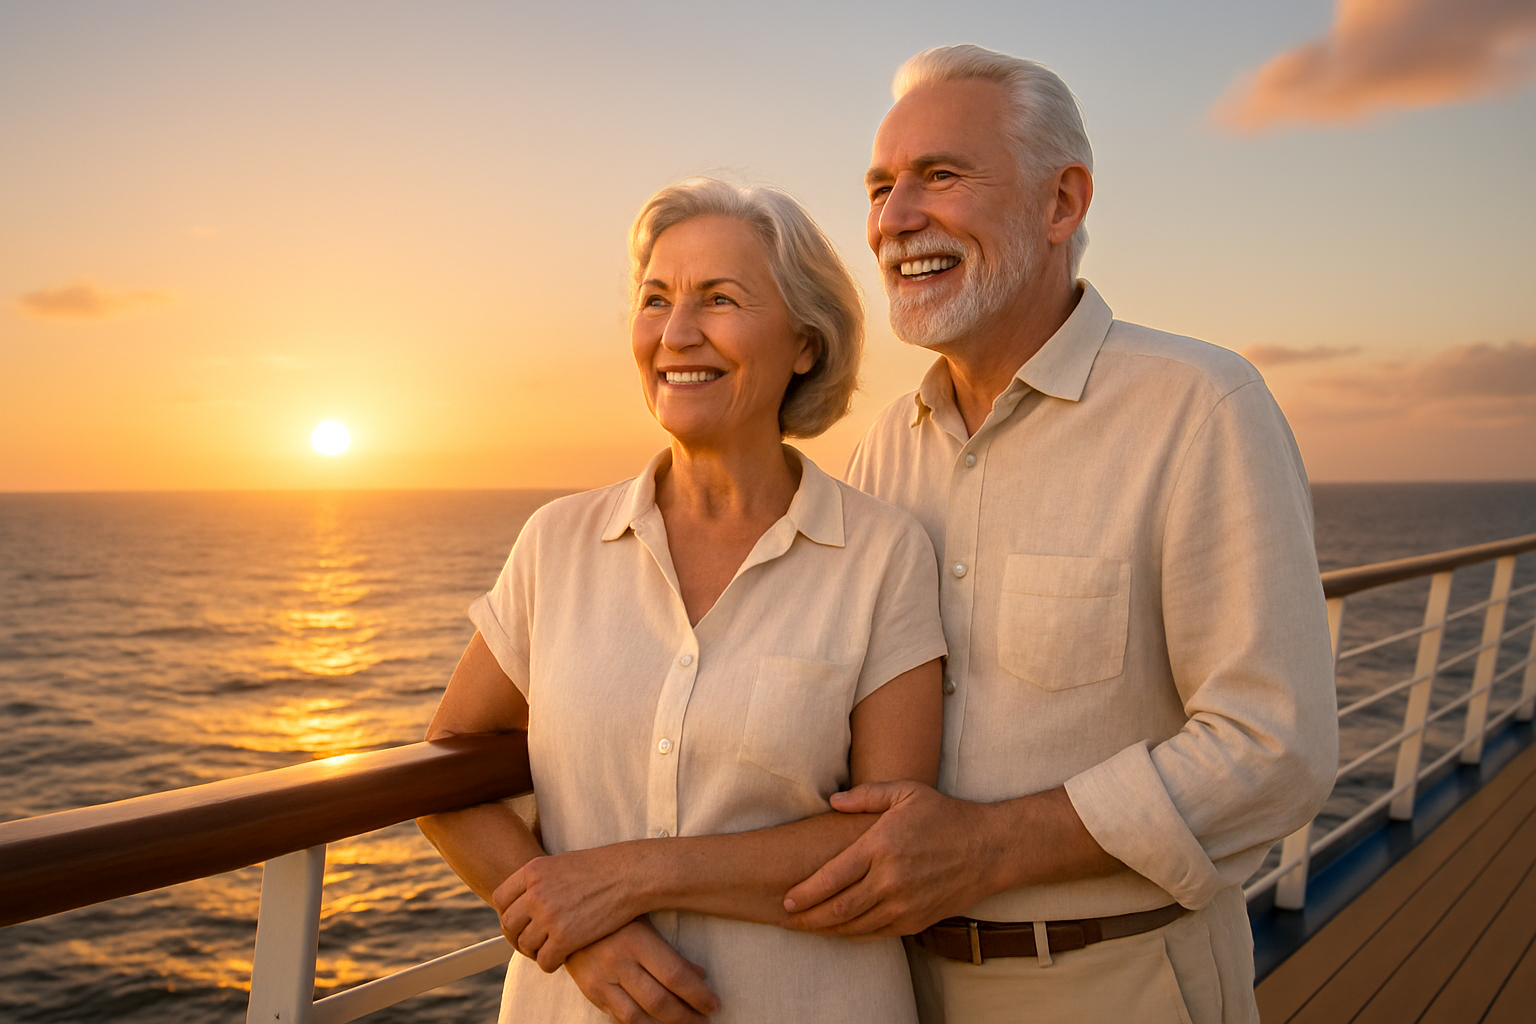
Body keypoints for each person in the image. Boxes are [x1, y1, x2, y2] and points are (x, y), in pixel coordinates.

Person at [779, 45, 1339, 1024]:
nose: (893, 219)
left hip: (1112, 981)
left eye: (940, 175)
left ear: (1061, 204)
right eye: (879, 187)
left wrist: (989, 846)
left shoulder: (1200, 406)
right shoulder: (883, 452)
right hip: (891, 987)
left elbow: (1274, 745)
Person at [417, 177, 947, 1024]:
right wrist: (581, 934)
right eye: (656, 299)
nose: (676, 332)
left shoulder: (882, 555)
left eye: (720, 299)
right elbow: (446, 766)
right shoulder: (557, 544)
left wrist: (626, 876)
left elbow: (883, 844)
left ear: (805, 343)